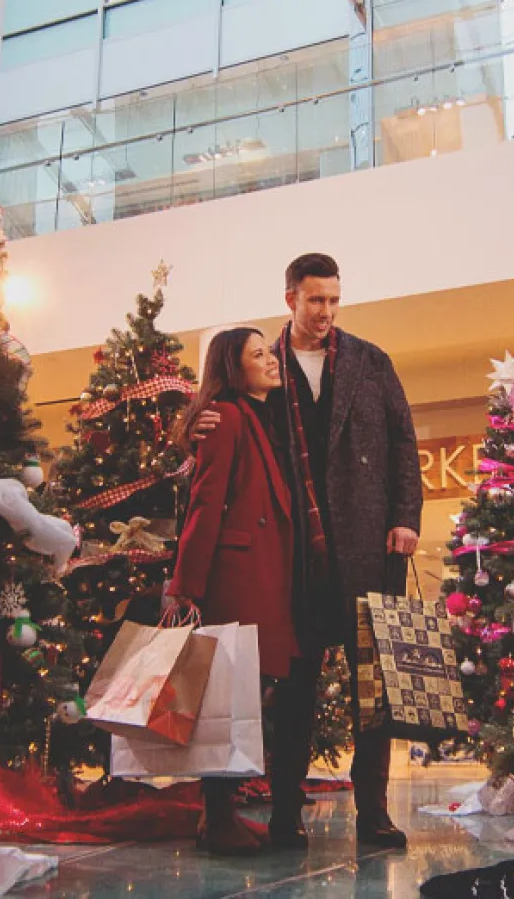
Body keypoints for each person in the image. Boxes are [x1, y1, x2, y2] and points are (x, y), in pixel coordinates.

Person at [191, 253, 423, 852]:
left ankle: (373, 810)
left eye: (334, 300)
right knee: (293, 690)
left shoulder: (372, 362)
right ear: (290, 297)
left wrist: (405, 518)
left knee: (375, 689)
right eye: (315, 299)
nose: (326, 312)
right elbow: (223, 418)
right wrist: (194, 427)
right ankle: (286, 811)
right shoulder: (263, 368)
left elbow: (404, 440)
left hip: (371, 547)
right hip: (293, 553)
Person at [164, 327, 298, 857]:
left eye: (270, 351)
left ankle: (222, 815)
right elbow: (205, 502)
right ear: (234, 368)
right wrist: (186, 585)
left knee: (246, 696)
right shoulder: (226, 417)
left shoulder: (258, 415)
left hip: (259, 575)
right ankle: (217, 819)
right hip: (236, 579)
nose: (271, 360)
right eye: (258, 354)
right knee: (228, 698)